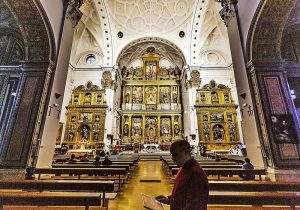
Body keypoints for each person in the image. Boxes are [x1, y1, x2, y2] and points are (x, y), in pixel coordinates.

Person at [155, 140, 209, 210]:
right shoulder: (184, 167)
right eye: (172, 155)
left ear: (185, 152)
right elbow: (183, 195)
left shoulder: (195, 173)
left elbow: (194, 206)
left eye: (175, 154)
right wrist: (167, 199)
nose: (173, 159)